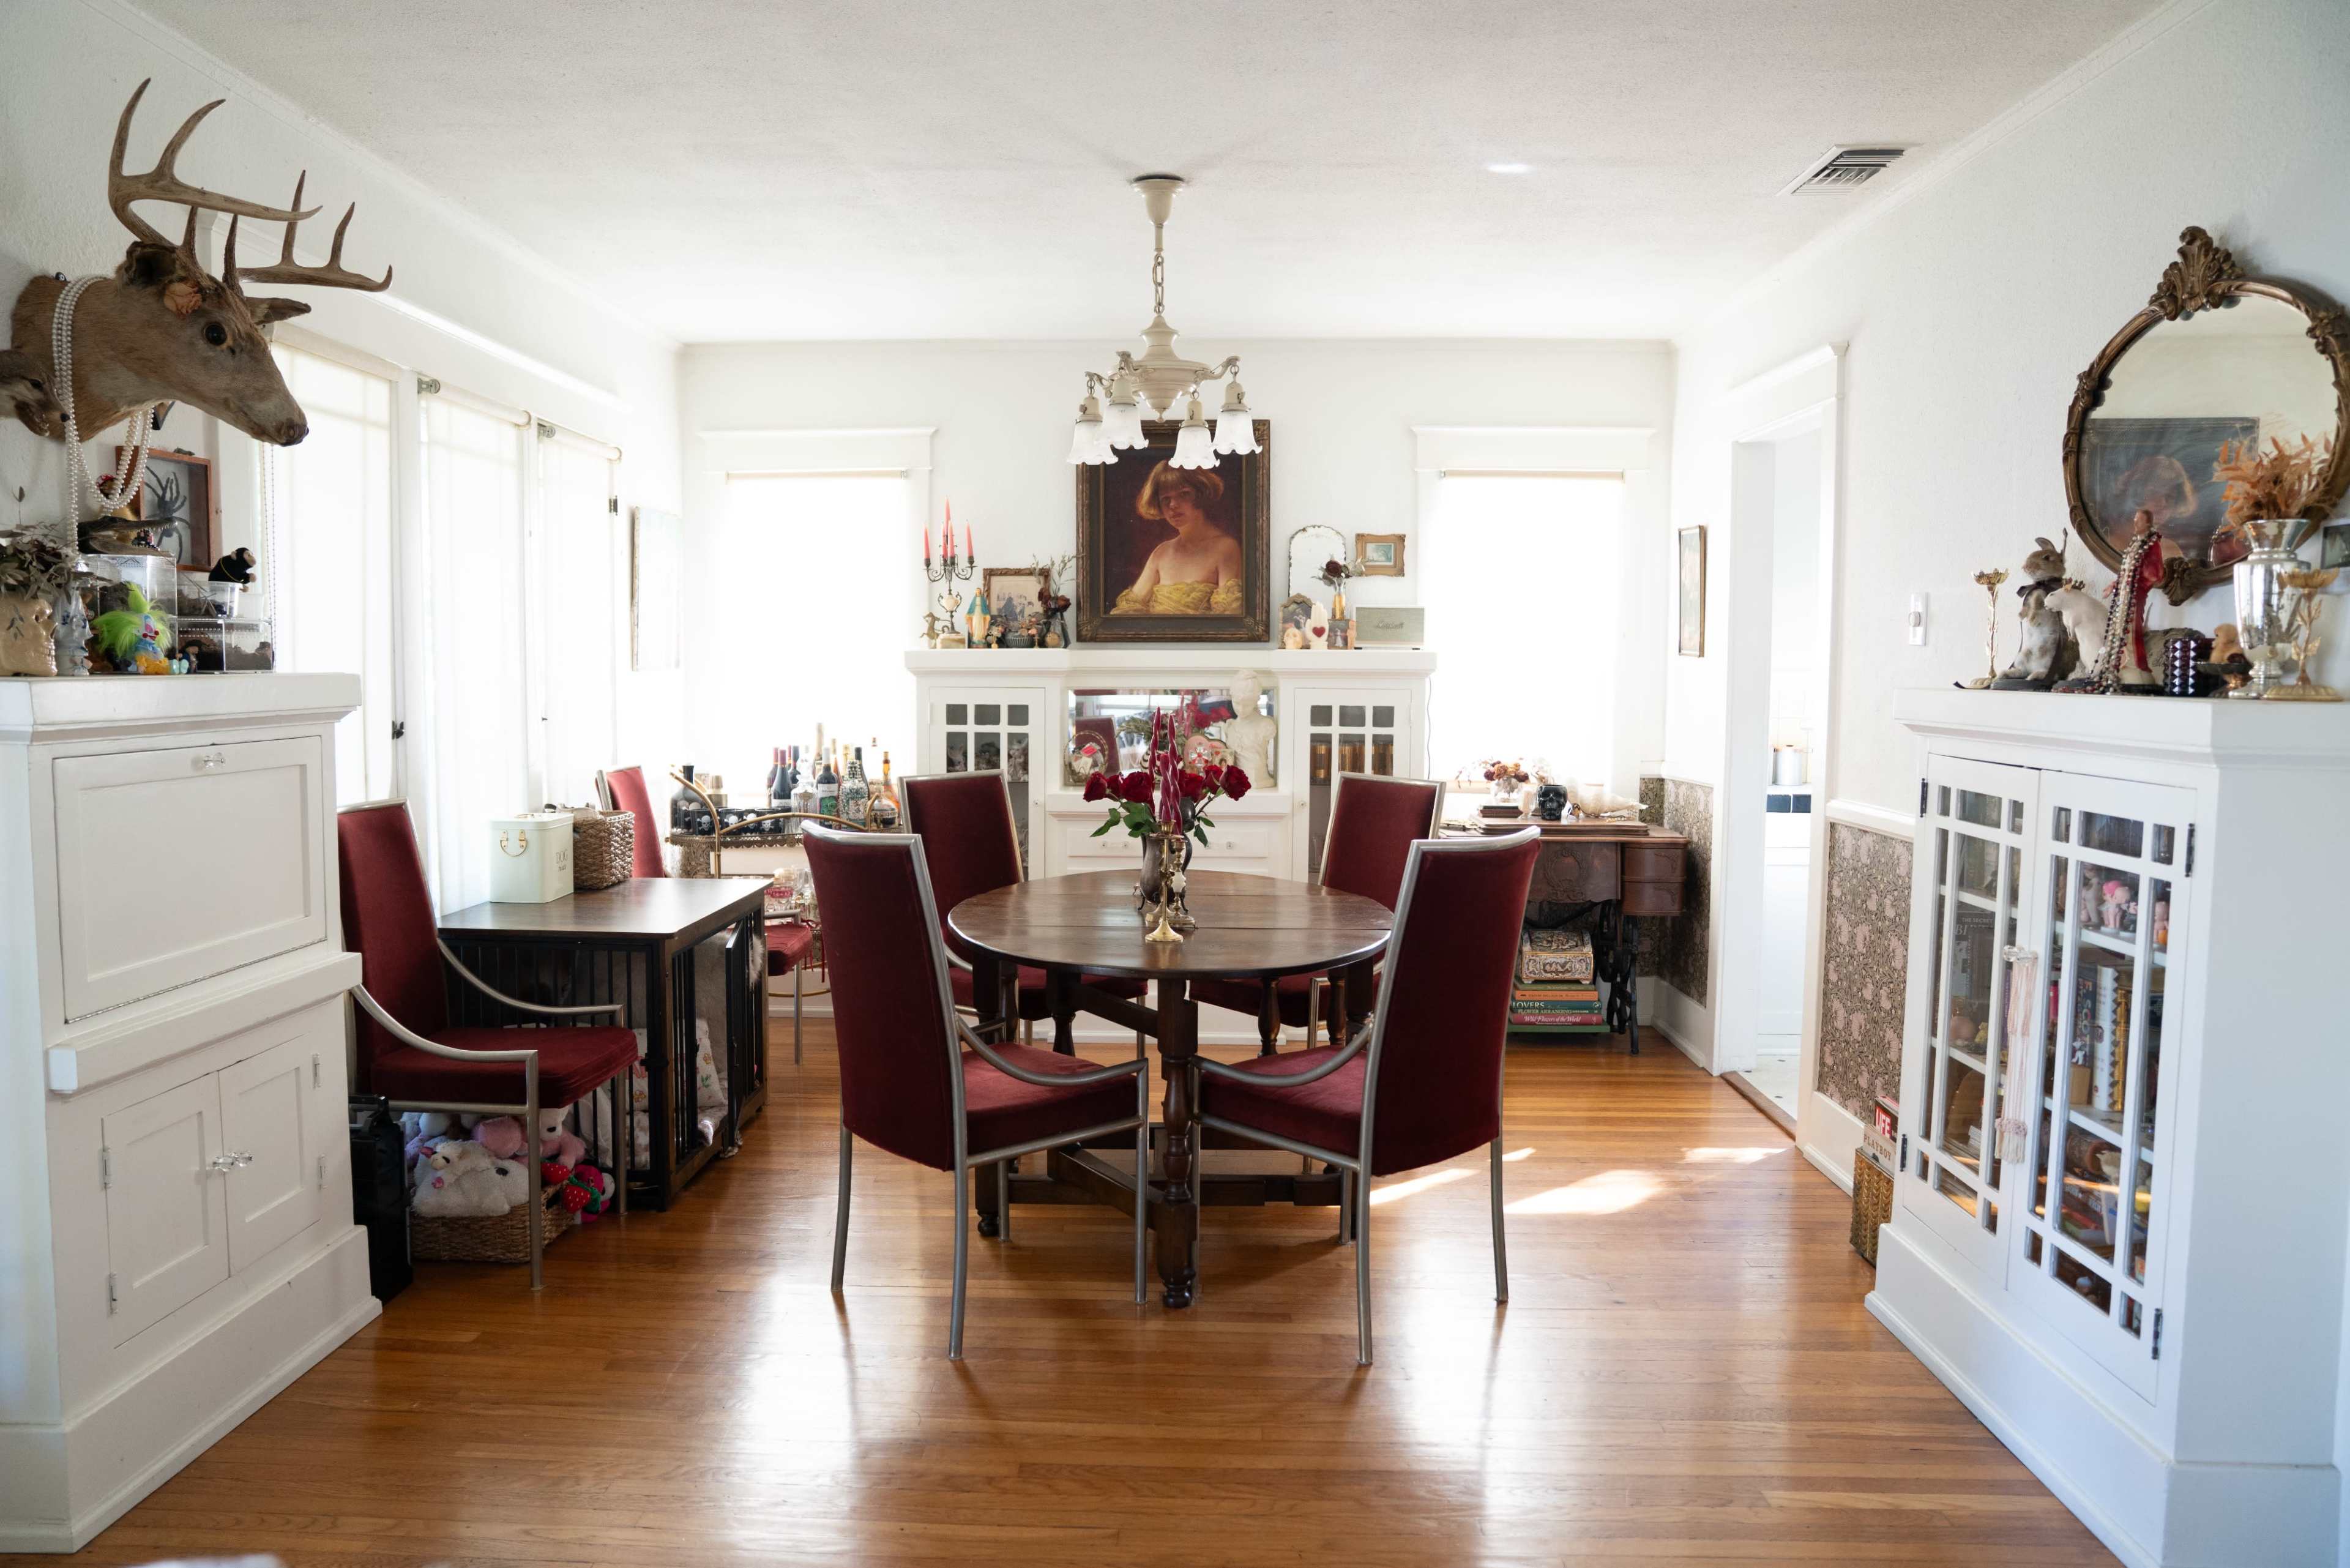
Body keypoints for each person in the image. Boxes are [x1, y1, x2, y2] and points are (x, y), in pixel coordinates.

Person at [1112, 461, 1242, 614]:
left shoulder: (1226, 548)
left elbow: (1230, 617)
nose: (1173, 505)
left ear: (1201, 494)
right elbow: (1129, 610)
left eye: (1184, 494)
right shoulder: (1162, 552)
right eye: (1165, 499)